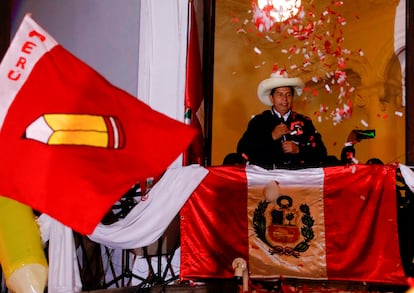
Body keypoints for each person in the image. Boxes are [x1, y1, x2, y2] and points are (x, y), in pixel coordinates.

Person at [237, 70, 328, 169]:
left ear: (292, 97)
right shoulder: (259, 121)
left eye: (288, 95)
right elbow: (243, 150)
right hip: (266, 180)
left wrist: (299, 150)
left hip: (299, 180)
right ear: (271, 98)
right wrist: (271, 136)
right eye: (280, 94)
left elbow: (322, 153)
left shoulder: (304, 122)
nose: (284, 99)